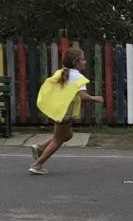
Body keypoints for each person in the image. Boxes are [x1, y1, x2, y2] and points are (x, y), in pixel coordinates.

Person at [29, 44, 104, 175]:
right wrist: (95, 98)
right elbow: (83, 97)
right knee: (58, 139)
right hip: (66, 113)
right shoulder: (78, 78)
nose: (85, 62)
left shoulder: (62, 72)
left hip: (59, 110)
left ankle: (40, 147)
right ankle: (38, 164)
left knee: (67, 135)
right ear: (77, 62)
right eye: (83, 59)